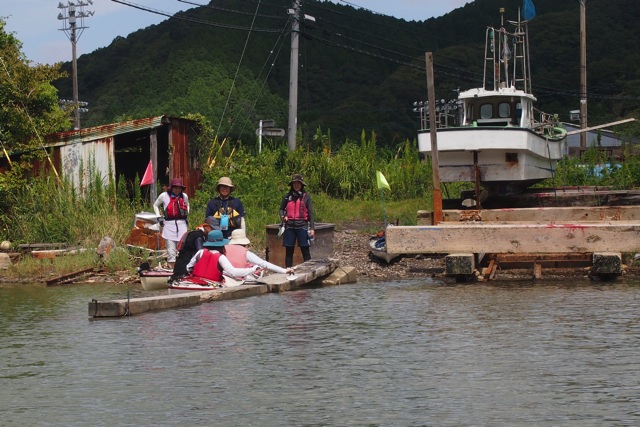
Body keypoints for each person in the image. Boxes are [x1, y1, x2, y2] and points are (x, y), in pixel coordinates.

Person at [185, 230, 261, 284]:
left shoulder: (200, 252)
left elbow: (188, 267)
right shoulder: (221, 257)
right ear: (221, 244)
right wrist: (252, 269)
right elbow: (233, 272)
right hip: (212, 283)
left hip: (196, 280)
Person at [279, 173, 315, 268]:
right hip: (289, 227)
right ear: (292, 185)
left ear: (302, 184)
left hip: (302, 226)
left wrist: (312, 228)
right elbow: (281, 209)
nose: (296, 185)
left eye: (298, 183)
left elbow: (310, 213)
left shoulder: (306, 196)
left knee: (305, 250)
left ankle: (309, 270)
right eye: (294, 183)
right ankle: (288, 271)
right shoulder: (287, 196)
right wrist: (283, 216)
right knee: (289, 251)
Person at [226, 229, 295, 278]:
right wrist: (284, 271)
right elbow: (264, 263)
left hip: (226, 275)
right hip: (239, 276)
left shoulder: (224, 249)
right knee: (259, 268)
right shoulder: (246, 253)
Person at [153, 178, 189, 269]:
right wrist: (158, 217)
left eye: (179, 188)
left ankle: (182, 268)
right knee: (171, 250)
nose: (177, 189)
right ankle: (171, 269)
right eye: (175, 187)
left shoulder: (184, 196)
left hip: (182, 225)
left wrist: (186, 215)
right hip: (169, 225)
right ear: (171, 188)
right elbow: (155, 205)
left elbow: (187, 205)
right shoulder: (164, 196)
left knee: (182, 248)